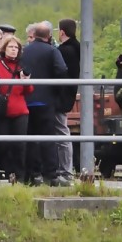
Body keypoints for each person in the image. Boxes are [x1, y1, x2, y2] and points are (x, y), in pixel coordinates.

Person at [20, 21, 68, 185]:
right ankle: (51, 174)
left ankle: (33, 174)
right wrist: (55, 89)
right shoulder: (52, 50)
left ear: (34, 35)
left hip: (27, 100)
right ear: (49, 36)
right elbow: (62, 69)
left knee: (30, 139)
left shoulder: (25, 51)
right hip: (46, 101)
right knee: (48, 138)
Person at [0, 35, 32, 184]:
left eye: (16, 48)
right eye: (11, 47)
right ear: (4, 48)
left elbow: (29, 91)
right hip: (2, 109)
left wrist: (26, 81)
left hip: (20, 110)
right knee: (1, 144)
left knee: (20, 145)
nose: (14, 50)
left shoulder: (22, 66)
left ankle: (19, 178)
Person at [56, 19, 81, 180]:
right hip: (69, 94)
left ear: (62, 32)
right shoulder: (77, 48)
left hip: (61, 96)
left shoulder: (64, 51)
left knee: (61, 131)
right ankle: (65, 169)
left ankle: (65, 170)